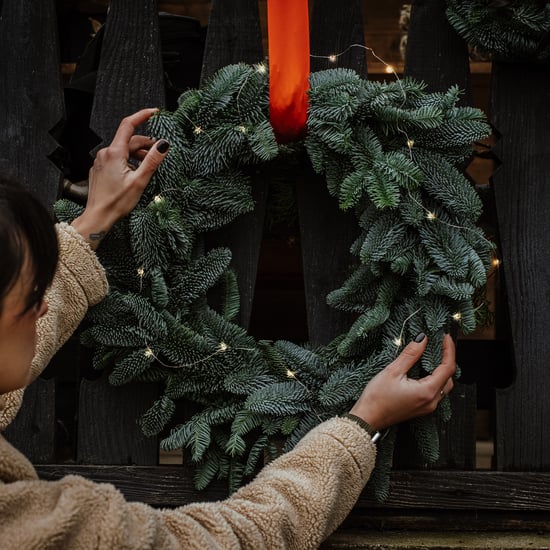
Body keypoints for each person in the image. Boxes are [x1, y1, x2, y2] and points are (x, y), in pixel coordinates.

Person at [0, 108, 456, 549]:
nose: (43, 310)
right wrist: (363, 422)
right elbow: (235, 538)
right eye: (27, 300)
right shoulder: (31, 526)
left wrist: (95, 219)